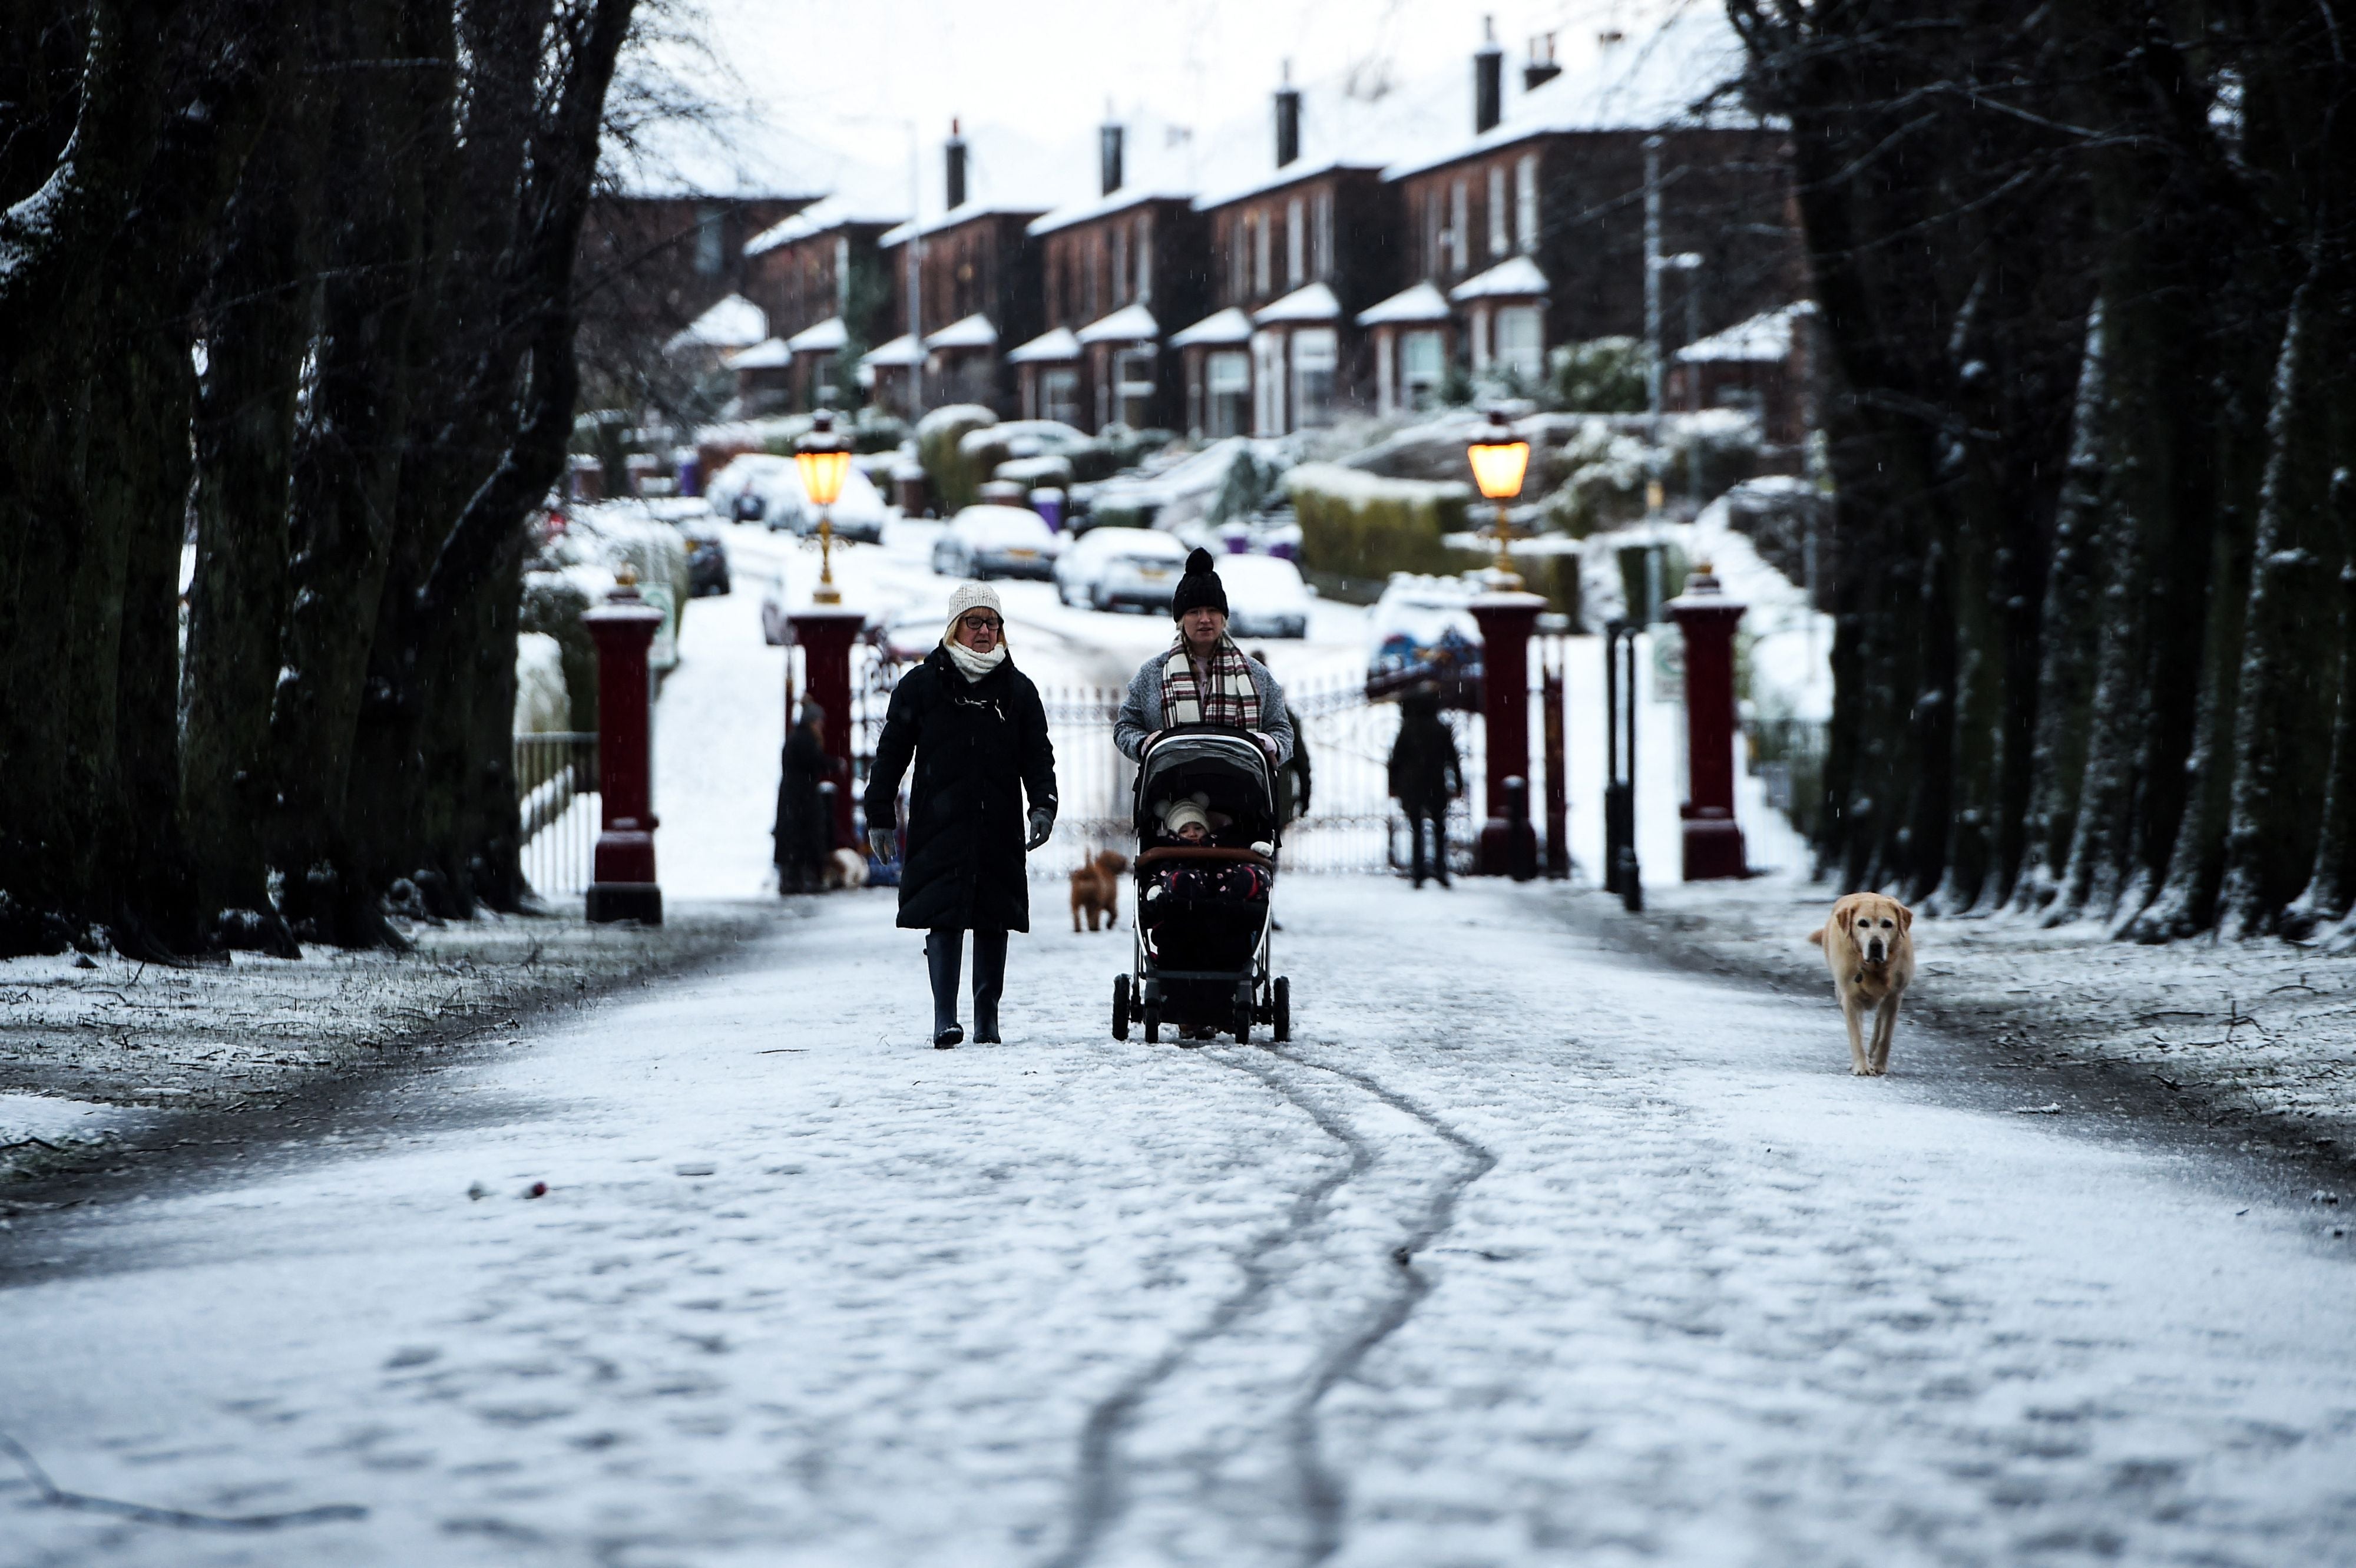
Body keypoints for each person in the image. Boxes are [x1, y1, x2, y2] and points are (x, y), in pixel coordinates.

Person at [863, 583, 1058, 1048]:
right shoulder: (922, 686)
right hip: (939, 820)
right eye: (975, 622)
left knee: (995, 916)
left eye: (992, 624)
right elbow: (890, 755)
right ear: (955, 627)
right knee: (943, 914)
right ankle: (944, 1018)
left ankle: (987, 1020)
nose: (985, 632)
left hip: (998, 821)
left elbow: (1038, 758)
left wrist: (1044, 805)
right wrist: (879, 816)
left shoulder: (1018, 691)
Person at [1116, 549, 1295, 767]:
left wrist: (1268, 743)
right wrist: (1144, 744)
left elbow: (1282, 731)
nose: (1205, 619)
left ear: (1224, 617)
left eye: (1212, 610)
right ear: (1181, 620)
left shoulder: (1257, 674)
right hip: (1173, 792)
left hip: (1240, 792)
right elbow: (1126, 727)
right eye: (1194, 612)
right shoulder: (1153, 674)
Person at [1388, 683, 1463, 888]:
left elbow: (1395, 760)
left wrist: (1393, 785)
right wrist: (1458, 784)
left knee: (1417, 829)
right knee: (1439, 828)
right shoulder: (1440, 728)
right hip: (1436, 783)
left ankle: (1419, 872)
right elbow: (1452, 759)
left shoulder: (1408, 728)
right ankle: (1440, 870)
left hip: (1412, 785)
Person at [772, 700, 835, 894]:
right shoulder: (806, 739)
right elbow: (814, 761)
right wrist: (834, 765)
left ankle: (792, 877)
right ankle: (804, 878)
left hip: (793, 795)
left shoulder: (796, 737)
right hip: (802, 796)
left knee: (793, 836)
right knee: (805, 835)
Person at [1250, 646, 1312, 825]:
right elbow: (1301, 760)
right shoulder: (1282, 714)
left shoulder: (1281, 715)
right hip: (1276, 798)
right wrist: (1306, 796)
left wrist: (1305, 796)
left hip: (1265, 798)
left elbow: (1299, 757)